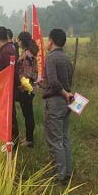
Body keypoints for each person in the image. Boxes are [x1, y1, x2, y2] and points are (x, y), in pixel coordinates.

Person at [41, 29, 74, 184]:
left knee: (55, 140)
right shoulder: (66, 58)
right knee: (65, 138)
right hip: (67, 102)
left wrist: (63, 93)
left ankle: (59, 175)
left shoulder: (50, 58)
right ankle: (67, 172)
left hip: (55, 101)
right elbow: (66, 80)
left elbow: (54, 83)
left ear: (51, 41)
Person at [0, 26, 19, 145]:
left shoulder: (6, 51)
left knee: (9, 115)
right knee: (9, 114)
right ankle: (11, 140)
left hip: (8, 89)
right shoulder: (8, 48)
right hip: (8, 88)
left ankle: (12, 142)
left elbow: (11, 72)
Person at [16, 32, 39, 147]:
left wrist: (20, 82)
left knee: (28, 114)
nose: (18, 42)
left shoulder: (26, 55)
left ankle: (29, 140)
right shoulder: (30, 53)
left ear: (22, 41)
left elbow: (26, 74)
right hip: (31, 88)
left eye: (18, 40)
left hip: (26, 89)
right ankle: (29, 138)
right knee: (28, 114)